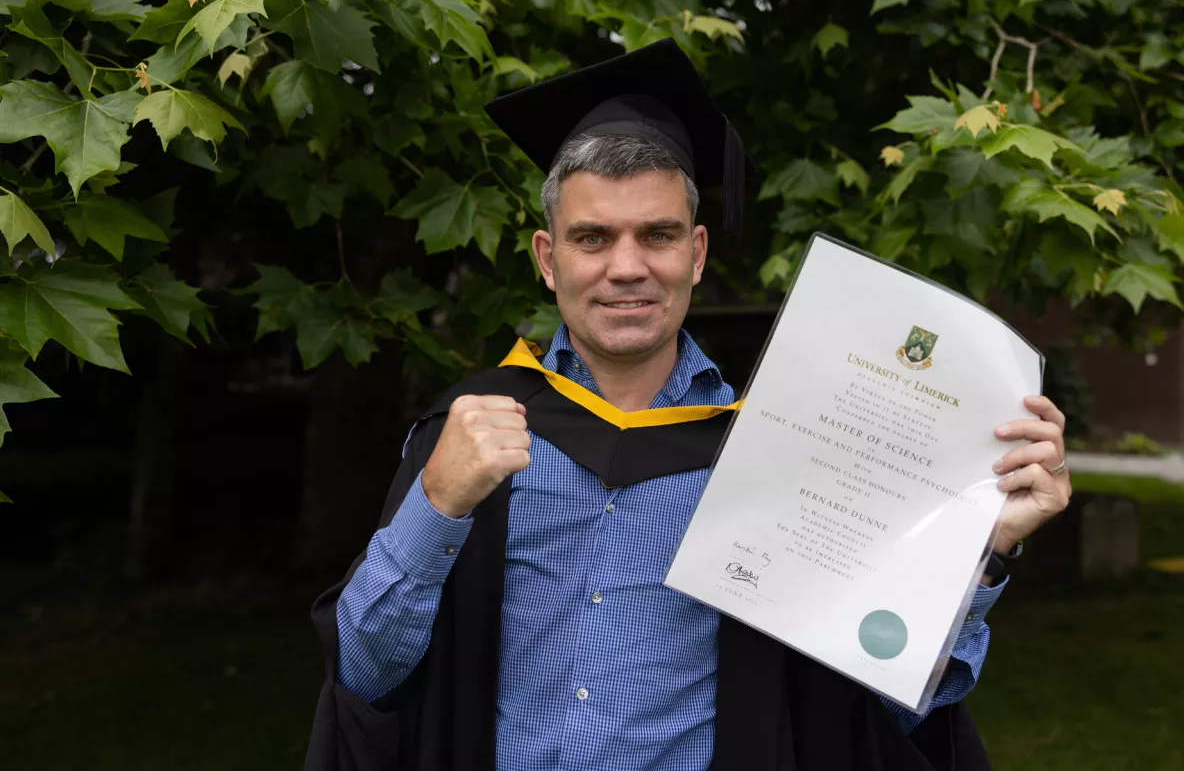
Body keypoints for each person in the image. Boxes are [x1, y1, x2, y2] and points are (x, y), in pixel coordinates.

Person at [304, 39, 1072, 771]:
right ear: (548, 259)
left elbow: (886, 702)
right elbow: (364, 673)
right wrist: (436, 504)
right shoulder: (465, 432)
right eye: (593, 238)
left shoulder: (773, 453)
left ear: (696, 254)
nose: (627, 267)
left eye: (658, 235)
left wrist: (981, 554)